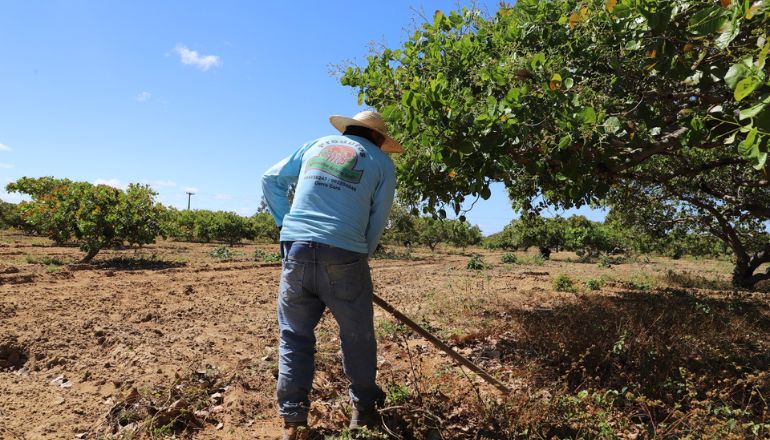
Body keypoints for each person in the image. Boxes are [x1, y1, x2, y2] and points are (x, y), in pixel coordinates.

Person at [261, 111, 403, 439]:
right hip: (345, 254)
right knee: (357, 336)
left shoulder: (317, 145)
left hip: (296, 251)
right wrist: (358, 257)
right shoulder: (381, 162)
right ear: (379, 139)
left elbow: (270, 178)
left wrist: (286, 225)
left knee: (294, 336)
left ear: (349, 129)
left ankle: (294, 421)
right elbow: (377, 218)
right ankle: (363, 412)